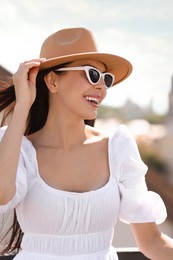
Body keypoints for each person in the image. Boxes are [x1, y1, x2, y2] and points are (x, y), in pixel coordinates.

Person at [0, 27, 172, 260]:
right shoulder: (17, 148)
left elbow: (152, 242)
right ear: (52, 81)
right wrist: (22, 106)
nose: (101, 87)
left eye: (106, 79)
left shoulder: (118, 147)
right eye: (92, 74)